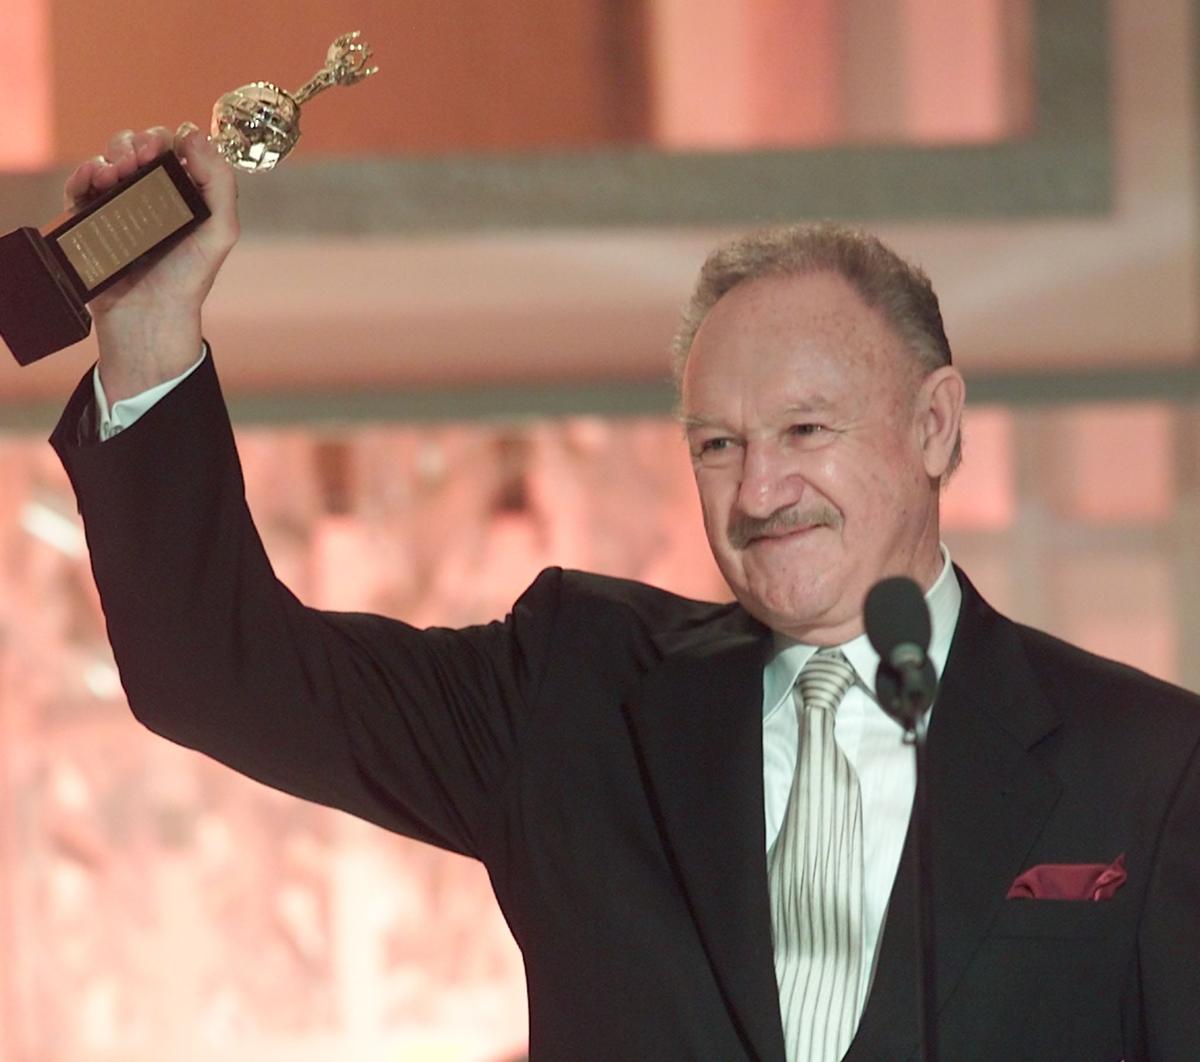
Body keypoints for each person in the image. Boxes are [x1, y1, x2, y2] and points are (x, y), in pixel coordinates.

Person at [51, 126, 1200, 1061]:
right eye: (717, 445)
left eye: (804, 431)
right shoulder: (570, 695)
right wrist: (150, 337)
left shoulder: (1147, 764)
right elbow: (212, 669)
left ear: (934, 425)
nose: (760, 490)